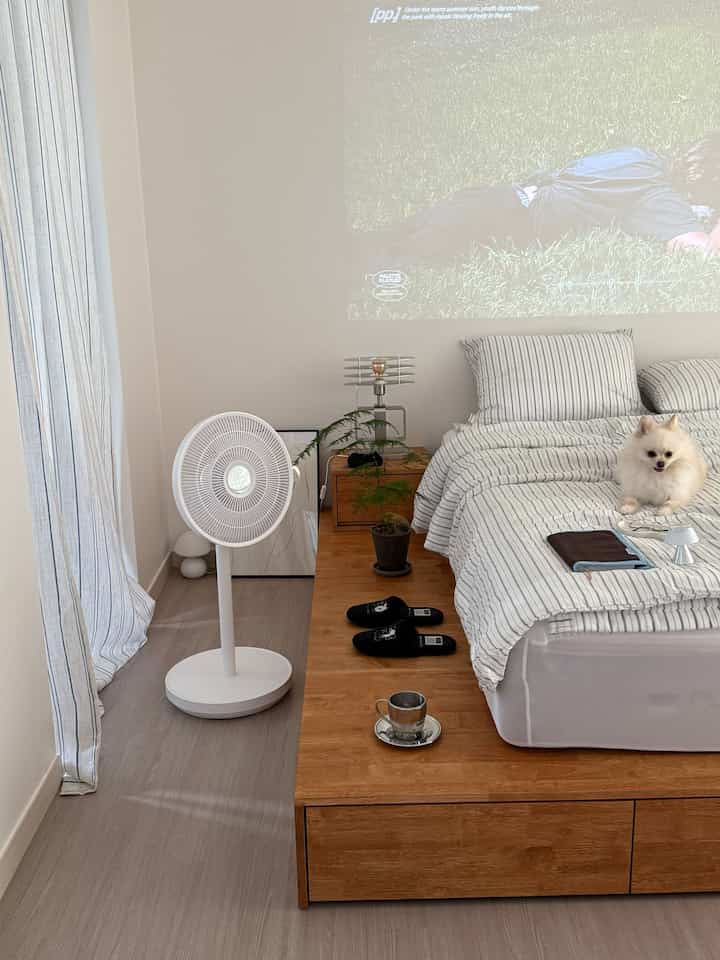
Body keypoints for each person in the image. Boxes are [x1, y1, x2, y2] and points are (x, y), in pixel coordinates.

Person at [363, 132, 720, 263]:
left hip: (491, 200)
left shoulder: (642, 156)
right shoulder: (656, 195)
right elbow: (700, 251)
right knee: (383, 261)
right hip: (501, 222)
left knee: (374, 242)